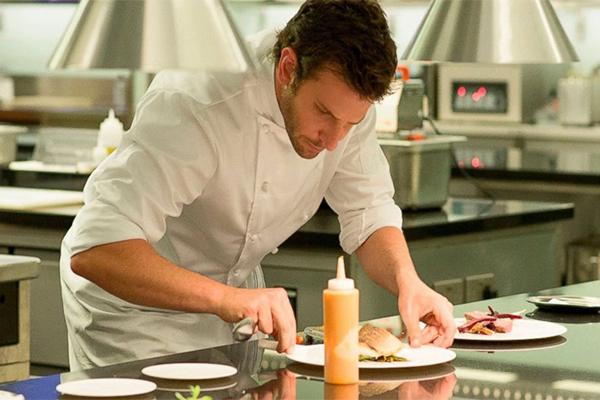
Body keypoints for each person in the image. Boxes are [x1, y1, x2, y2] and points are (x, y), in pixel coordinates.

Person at [60, 0, 455, 371]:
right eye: (323, 113)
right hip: (134, 319)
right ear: (287, 68)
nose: (334, 140)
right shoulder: (196, 101)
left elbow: (368, 213)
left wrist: (408, 283)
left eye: (350, 124)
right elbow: (96, 248)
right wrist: (225, 298)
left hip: (235, 307)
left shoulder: (347, 105)